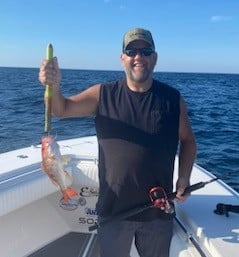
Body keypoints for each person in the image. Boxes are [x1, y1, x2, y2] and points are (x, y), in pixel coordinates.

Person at [39, 28, 196, 257]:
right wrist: (53, 86)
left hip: (158, 213)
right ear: (122, 57)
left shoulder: (173, 99)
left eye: (146, 51)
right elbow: (60, 109)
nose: (138, 57)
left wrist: (184, 177)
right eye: (131, 51)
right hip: (113, 213)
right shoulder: (103, 95)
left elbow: (188, 141)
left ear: (155, 57)